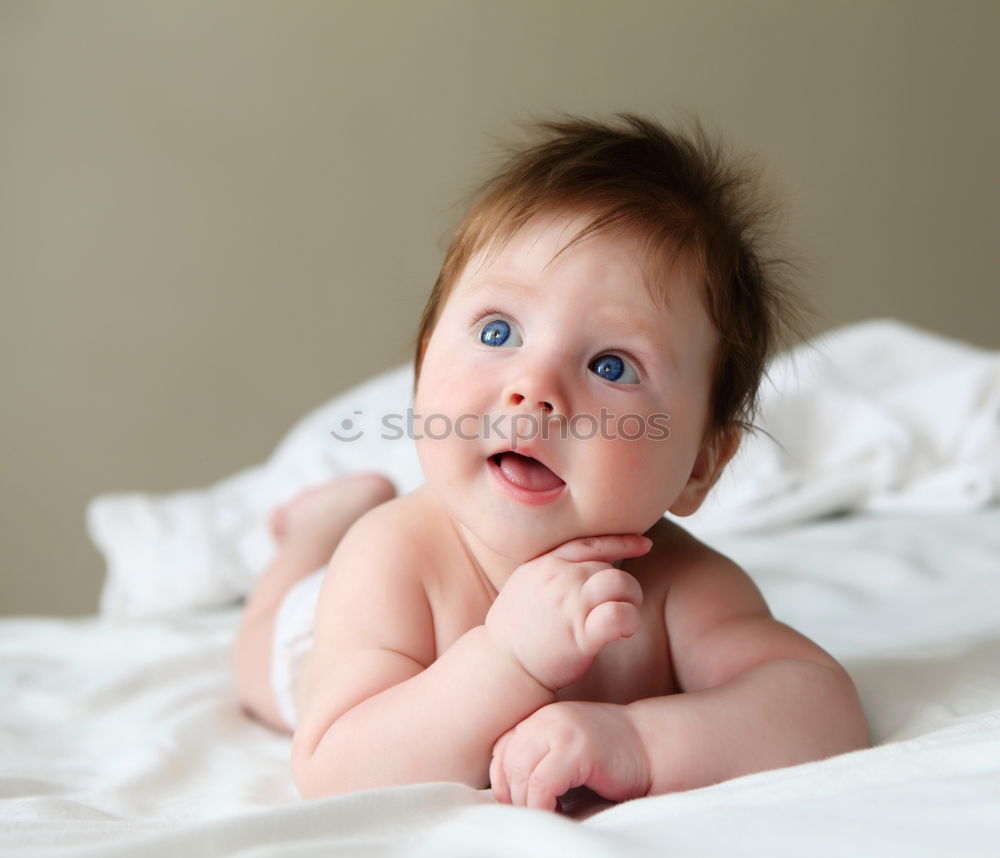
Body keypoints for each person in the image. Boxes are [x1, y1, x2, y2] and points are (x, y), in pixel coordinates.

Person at [232, 114, 870, 811]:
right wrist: (509, 658)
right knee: (258, 643)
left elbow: (819, 707)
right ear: (421, 362)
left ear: (699, 466)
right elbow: (334, 767)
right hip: (311, 639)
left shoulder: (680, 586)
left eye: (611, 364)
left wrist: (637, 741)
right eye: (498, 330)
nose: (534, 386)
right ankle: (321, 524)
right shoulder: (394, 556)